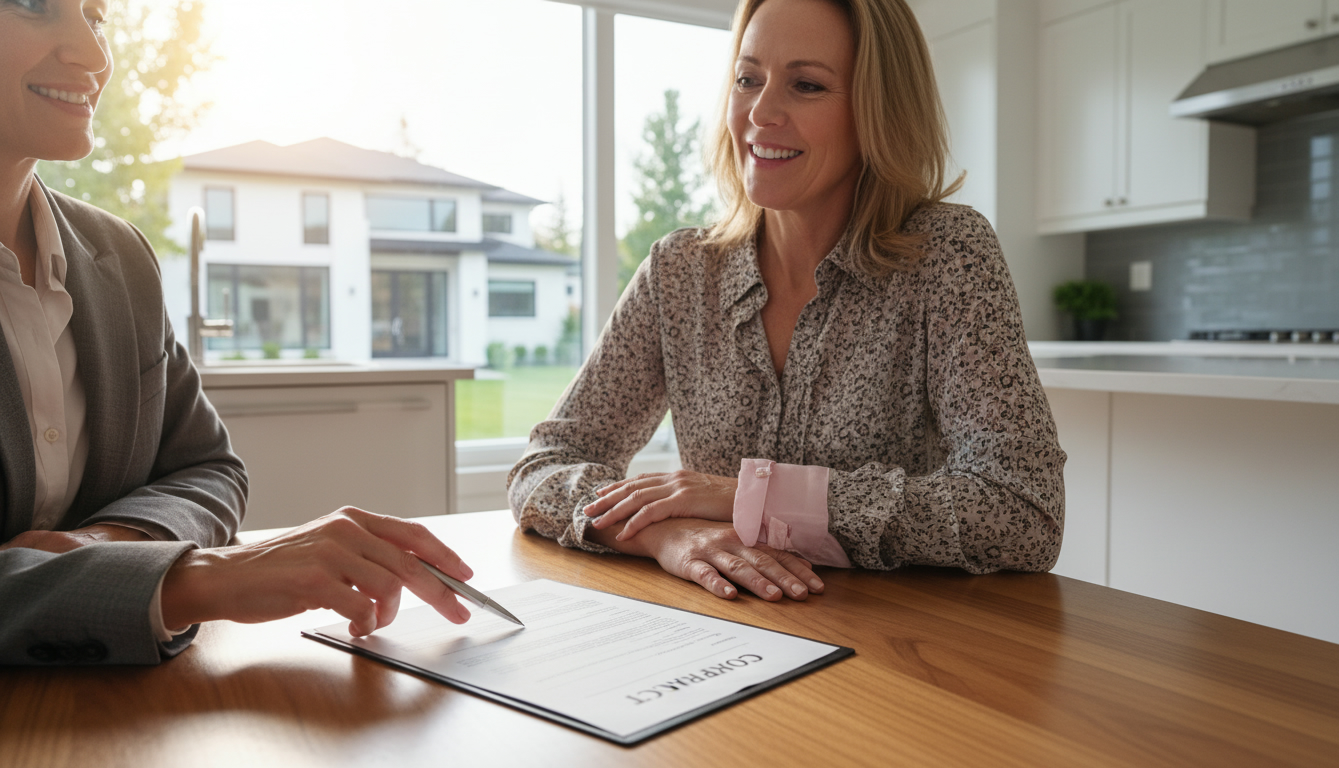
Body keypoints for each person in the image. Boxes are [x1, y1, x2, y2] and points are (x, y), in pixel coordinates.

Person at [508, 0, 1066, 602]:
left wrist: (752, 496)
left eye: (806, 85)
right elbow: (545, 465)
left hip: (899, 651)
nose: (760, 112)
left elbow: (1022, 510)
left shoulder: (948, 255)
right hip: (725, 632)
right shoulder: (679, 272)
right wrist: (667, 535)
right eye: (748, 79)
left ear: (878, 111)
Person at [0, 0, 472, 666]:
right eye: (33, 4)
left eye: (97, 15)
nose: (94, 54)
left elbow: (209, 468)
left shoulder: (119, 258)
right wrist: (194, 579)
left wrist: (104, 543)